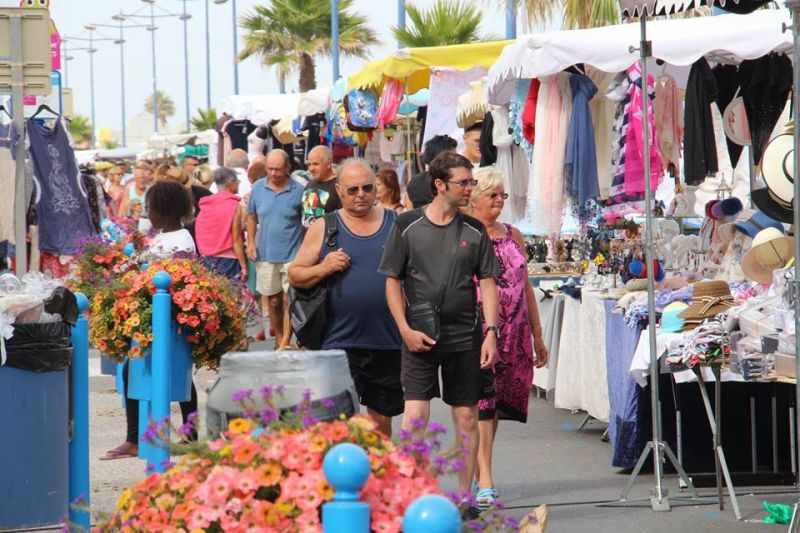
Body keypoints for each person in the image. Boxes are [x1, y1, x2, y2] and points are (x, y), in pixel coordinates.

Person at [379, 151, 499, 498]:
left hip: (466, 336)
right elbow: (392, 281)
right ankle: (411, 495)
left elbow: (488, 283)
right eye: (463, 182)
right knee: (414, 418)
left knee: (465, 416)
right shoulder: (407, 225)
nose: (469, 189)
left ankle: (464, 497)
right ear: (439, 185)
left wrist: (490, 333)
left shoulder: (475, 229)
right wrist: (404, 329)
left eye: (471, 182)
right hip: (419, 336)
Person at [289, 159, 403, 436]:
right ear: (339, 191)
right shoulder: (326, 226)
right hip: (338, 341)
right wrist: (325, 266)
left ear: (376, 189)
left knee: (381, 423)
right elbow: (295, 274)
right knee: (336, 422)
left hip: (387, 340)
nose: (360, 194)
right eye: (352, 190)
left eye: (367, 188)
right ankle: (342, 478)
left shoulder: (396, 221)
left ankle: (379, 476)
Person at [467, 167, 549, 508]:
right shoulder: (466, 233)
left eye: (503, 195)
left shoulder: (513, 234)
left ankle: (475, 474)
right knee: (481, 404)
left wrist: (538, 334)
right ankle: (484, 478)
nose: (500, 201)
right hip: (480, 330)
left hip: (515, 333)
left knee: (495, 407)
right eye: (493, 195)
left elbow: (526, 285)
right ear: (474, 197)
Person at [101, 181, 198, 460]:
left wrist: (141, 267)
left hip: (167, 321)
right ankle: (188, 435)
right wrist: (125, 261)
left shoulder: (179, 239)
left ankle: (137, 438)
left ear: (162, 211)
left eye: (150, 209)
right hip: (153, 317)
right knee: (170, 376)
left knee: (173, 375)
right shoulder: (163, 236)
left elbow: (175, 273)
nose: (147, 214)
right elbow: (136, 262)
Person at [246, 149, 304, 349]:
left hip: (293, 254)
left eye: (277, 169)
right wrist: (251, 243)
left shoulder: (299, 190)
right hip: (266, 254)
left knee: (291, 300)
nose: (273, 173)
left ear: (288, 168)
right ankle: (279, 338)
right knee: (273, 302)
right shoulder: (258, 188)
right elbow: (251, 216)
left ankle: (286, 340)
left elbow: (306, 222)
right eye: (269, 169)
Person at [196, 167, 247, 281]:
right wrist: (244, 267)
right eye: (237, 181)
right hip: (229, 260)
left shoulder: (206, 204)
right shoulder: (234, 205)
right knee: (231, 295)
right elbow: (236, 239)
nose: (238, 184)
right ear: (231, 183)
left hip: (207, 257)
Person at [405, 134, 458, 210]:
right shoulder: (452, 182)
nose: (457, 161)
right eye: (453, 157)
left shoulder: (414, 181)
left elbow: (409, 210)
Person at [301, 146, 341, 227]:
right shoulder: (309, 184)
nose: (311, 168)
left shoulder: (338, 187)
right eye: (309, 164)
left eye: (315, 164)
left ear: (328, 164)